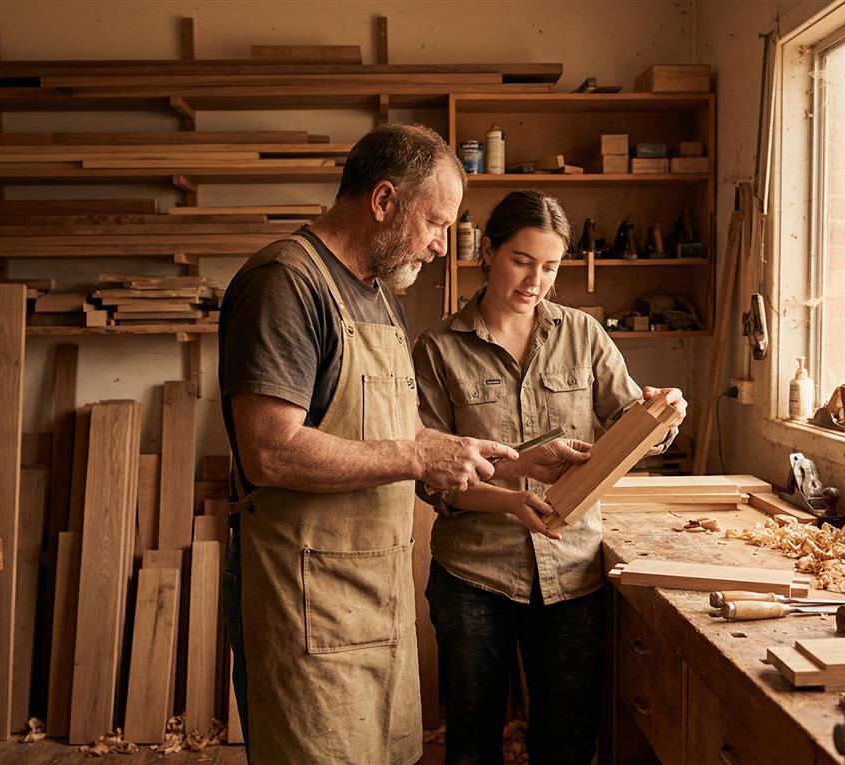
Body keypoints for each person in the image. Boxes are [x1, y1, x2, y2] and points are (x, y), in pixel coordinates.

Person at [218, 126, 585, 764]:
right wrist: (417, 458)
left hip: (375, 603)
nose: (443, 247)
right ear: (384, 201)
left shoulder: (380, 293)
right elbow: (269, 452)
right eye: (436, 224)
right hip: (307, 604)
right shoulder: (287, 283)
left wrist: (514, 462)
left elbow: (399, 432)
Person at [412, 190, 689, 765]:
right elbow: (433, 479)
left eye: (550, 266)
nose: (535, 280)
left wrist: (660, 415)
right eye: (521, 260)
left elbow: (630, 423)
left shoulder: (584, 335)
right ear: (487, 252)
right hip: (474, 575)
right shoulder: (439, 350)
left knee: (565, 740)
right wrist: (511, 503)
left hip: (571, 573)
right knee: (472, 740)